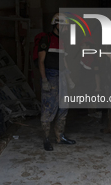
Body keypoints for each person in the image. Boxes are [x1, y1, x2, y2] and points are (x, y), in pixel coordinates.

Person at [38, 13, 76, 151]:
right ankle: (46, 140)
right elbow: (41, 61)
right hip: (50, 76)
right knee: (49, 108)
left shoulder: (63, 42)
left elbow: (64, 61)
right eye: (64, 26)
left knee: (64, 107)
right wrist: (44, 80)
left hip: (62, 76)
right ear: (57, 24)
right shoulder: (46, 39)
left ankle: (60, 137)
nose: (66, 28)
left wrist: (69, 78)